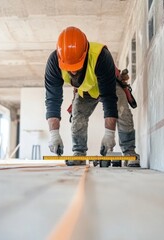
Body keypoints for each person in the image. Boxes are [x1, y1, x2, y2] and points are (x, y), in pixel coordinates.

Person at [44, 26, 140, 167]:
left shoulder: (101, 56)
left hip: (109, 86)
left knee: (122, 110)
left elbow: (109, 98)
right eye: (69, 67)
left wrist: (109, 134)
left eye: (77, 66)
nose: (74, 71)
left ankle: (129, 151)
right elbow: (53, 100)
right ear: (60, 58)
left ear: (85, 53)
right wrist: (53, 134)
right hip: (86, 91)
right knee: (78, 115)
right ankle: (79, 153)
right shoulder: (54, 63)